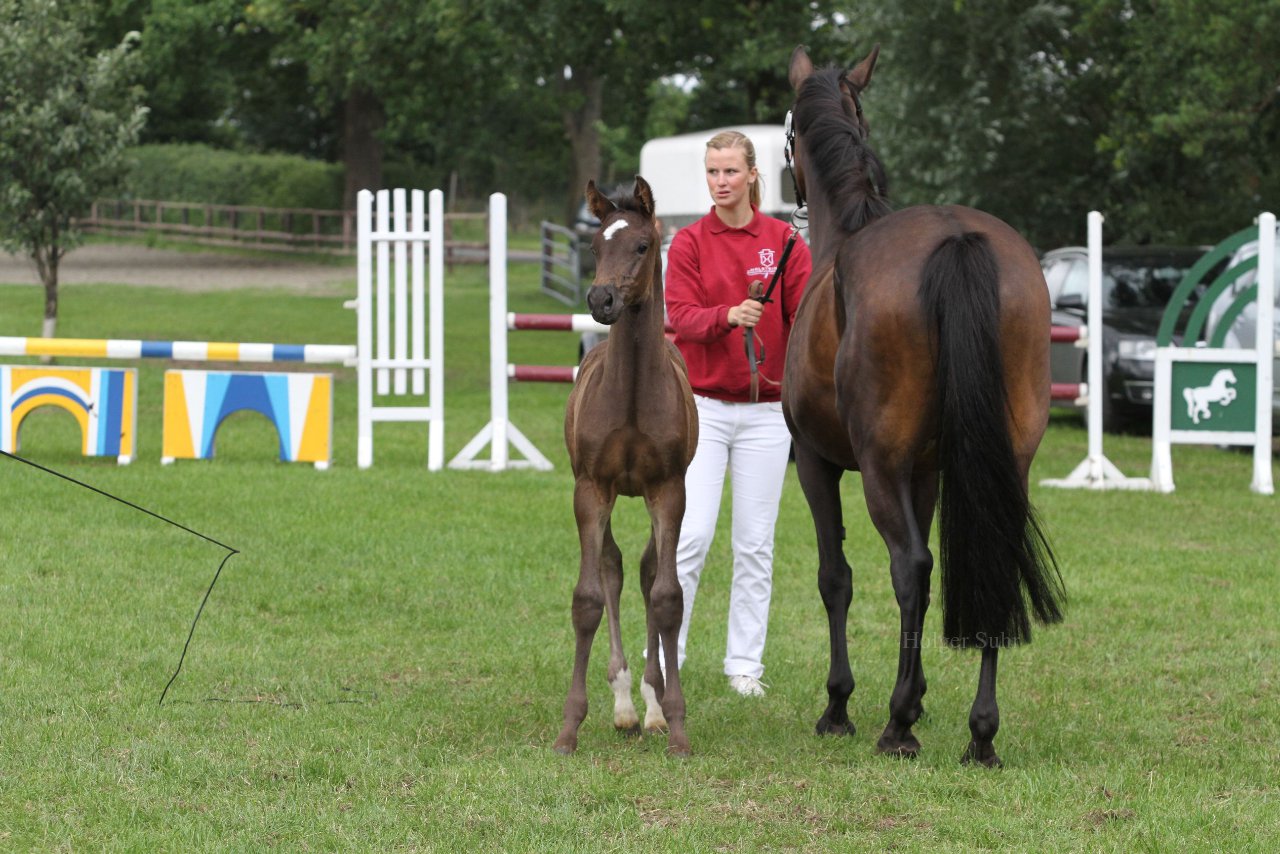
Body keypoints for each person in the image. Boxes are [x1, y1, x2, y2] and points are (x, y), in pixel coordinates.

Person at [661, 130, 813, 697]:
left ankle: (744, 665)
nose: (720, 182)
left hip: (769, 414)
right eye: (712, 172)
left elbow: (803, 321)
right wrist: (726, 315)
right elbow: (679, 317)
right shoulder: (689, 242)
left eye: (729, 171)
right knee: (691, 536)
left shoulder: (785, 242)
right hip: (703, 409)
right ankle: (665, 653)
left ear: (752, 174)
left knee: (755, 544)